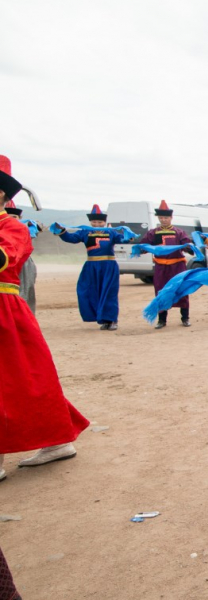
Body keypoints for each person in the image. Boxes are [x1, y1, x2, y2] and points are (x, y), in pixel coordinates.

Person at [1, 154, 89, 483]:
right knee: (21, 380)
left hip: (5, 310)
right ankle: (57, 438)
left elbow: (6, 258)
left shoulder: (11, 226)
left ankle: (56, 440)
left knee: (21, 379)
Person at [54, 204, 128, 331]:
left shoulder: (111, 232)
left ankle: (112, 319)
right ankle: (102, 319)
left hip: (108, 266)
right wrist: (62, 231)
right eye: (94, 221)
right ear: (90, 222)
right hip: (91, 266)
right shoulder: (85, 232)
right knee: (88, 291)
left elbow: (123, 240)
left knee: (109, 292)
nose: (97, 224)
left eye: (100, 222)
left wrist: (126, 232)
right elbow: (71, 238)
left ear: (104, 222)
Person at [140, 200, 192, 329]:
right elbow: (144, 244)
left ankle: (185, 318)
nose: (164, 220)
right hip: (161, 266)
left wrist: (190, 247)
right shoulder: (153, 232)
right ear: (158, 218)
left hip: (177, 266)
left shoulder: (179, 232)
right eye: (161, 218)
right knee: (160, 291)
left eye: (166, 218)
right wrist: (141, 248)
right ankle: (162, 320)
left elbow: (186, 244)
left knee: (181, 289)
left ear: (171, 218)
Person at [4, 201, 36, 314]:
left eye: (14, 217)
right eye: (8, 217)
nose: (11, 219)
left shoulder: (23, 228)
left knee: (25, 289)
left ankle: (26, 315)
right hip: (4, 263)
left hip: (23, 263)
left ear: (20, 217)